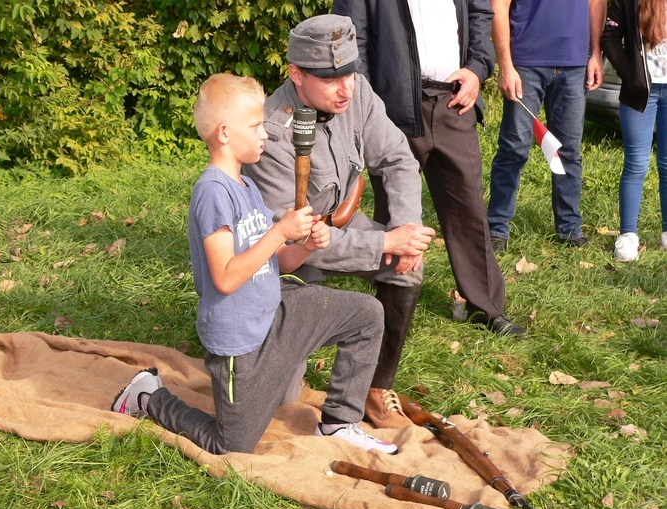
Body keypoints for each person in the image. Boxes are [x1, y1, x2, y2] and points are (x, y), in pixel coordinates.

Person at [111, 73, 398, 456]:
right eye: (256, 125)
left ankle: (337, 424)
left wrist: (306, 246)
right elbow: (226, 278)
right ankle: (147, 396)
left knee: (366, 314)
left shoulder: (247, 186)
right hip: (239, 343)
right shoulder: (213, 192)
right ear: (225, 133)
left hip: (275, 314)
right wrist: (281, 231)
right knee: (231, 445)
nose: (265, 133)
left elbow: (277, 262)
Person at [243, 14, 436, 429]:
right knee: (280, 399)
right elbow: (291, 241)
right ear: (296, 74)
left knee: (407, 272)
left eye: (350, 72)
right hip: (289, 252)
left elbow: (399, 160)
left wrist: (405, 229)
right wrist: (385, 243)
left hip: (341, 225)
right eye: (331, 78)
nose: (346, 87)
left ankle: (373, 388)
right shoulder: (273, 132)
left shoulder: (358, 92)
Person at [332, 0, 526, 338]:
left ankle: (486, 308)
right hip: (393, 107)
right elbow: (352, 39)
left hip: (455, 102)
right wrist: (366, 107)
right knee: (394, 211)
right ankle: (390, 305)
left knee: (468, 208)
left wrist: (477, 68)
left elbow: (481, 14)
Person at [486, 0, 606, 250]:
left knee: (568, 152)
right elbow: (499, 5)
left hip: (574, 62)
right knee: (514, 148)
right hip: (526, 61)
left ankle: (569, 227)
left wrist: (596, 53)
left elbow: (596, 2)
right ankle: (496, 226)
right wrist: (506, 65)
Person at [601, 0, 667, 261]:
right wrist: (629, 75)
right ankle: (628, 235)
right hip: (640, 91)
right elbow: (609, 36)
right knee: (636, 163)